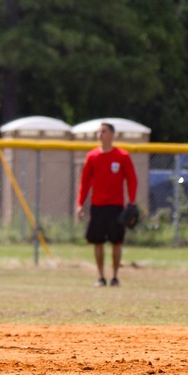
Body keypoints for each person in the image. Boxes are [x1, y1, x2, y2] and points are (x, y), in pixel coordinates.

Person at [75, 122, 138, 287]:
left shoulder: (122, 156)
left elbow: (132, 179)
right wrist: (80, 203)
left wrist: (131, 201)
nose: (100, 134)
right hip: (98, 206)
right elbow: (85, 182)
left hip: (116, 206)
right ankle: (101, 277)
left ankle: (115, 277)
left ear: (112, 134)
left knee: (116, 242)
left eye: (103, 131)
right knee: (98, 242)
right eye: (99, 132)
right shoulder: (92, 156)